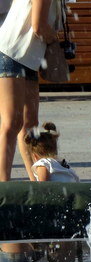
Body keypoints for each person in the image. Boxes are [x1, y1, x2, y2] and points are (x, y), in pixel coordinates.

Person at [0, 0, 63, 182]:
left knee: (29, 124)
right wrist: (55, 41)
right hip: (11, 52)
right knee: (11, 122)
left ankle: (35, 182)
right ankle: (3, 186)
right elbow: (39, 26)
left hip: (28, 56)